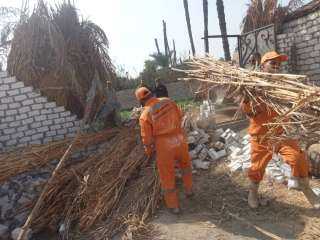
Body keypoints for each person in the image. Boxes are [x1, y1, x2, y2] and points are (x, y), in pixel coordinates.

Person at [241, 51, 320, 209]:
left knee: (298, 159)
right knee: (257, 168)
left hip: (282, 133)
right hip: (262, 135)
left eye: (278, 64)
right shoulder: (254, 86)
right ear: (263, 66)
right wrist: (251, 98)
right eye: (272, 63)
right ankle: (253, 194)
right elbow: (247, 110)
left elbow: (297, 102)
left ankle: (306, 189)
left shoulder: (285, 85)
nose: (276, 66)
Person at [135, 87, 193, 214]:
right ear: (151, 94)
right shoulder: (168, 101)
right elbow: (180, 116)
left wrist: (149, 153)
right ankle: (189, 191)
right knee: (185, 166)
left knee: (167, 176)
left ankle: (174, 206)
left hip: (164, 145)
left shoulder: (145, 115)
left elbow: (147, 140)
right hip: (179, 139)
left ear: (140, 101)